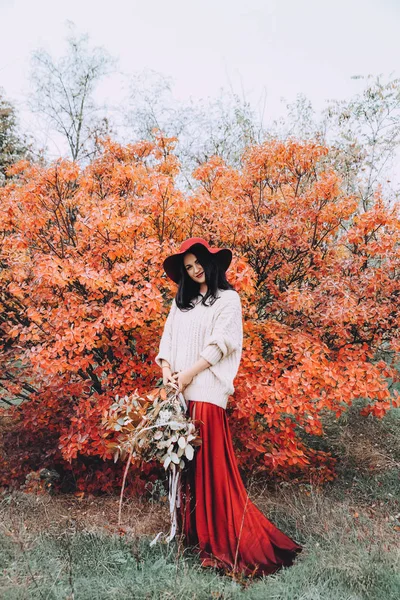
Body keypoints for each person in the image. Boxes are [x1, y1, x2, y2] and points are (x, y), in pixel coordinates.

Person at [155, 237, 302, 577]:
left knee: (212, 473)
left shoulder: (228, 299)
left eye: (198, 264)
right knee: (186, 472)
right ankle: (195, 535)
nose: (194, 271)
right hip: (179, 396)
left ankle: (228, 540)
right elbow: (168, 342)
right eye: (188, 268)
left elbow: (221, 345)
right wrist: (168, 377)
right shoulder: (182, 304)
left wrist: (187, 376)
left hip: (206, 394)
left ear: (212, 262)